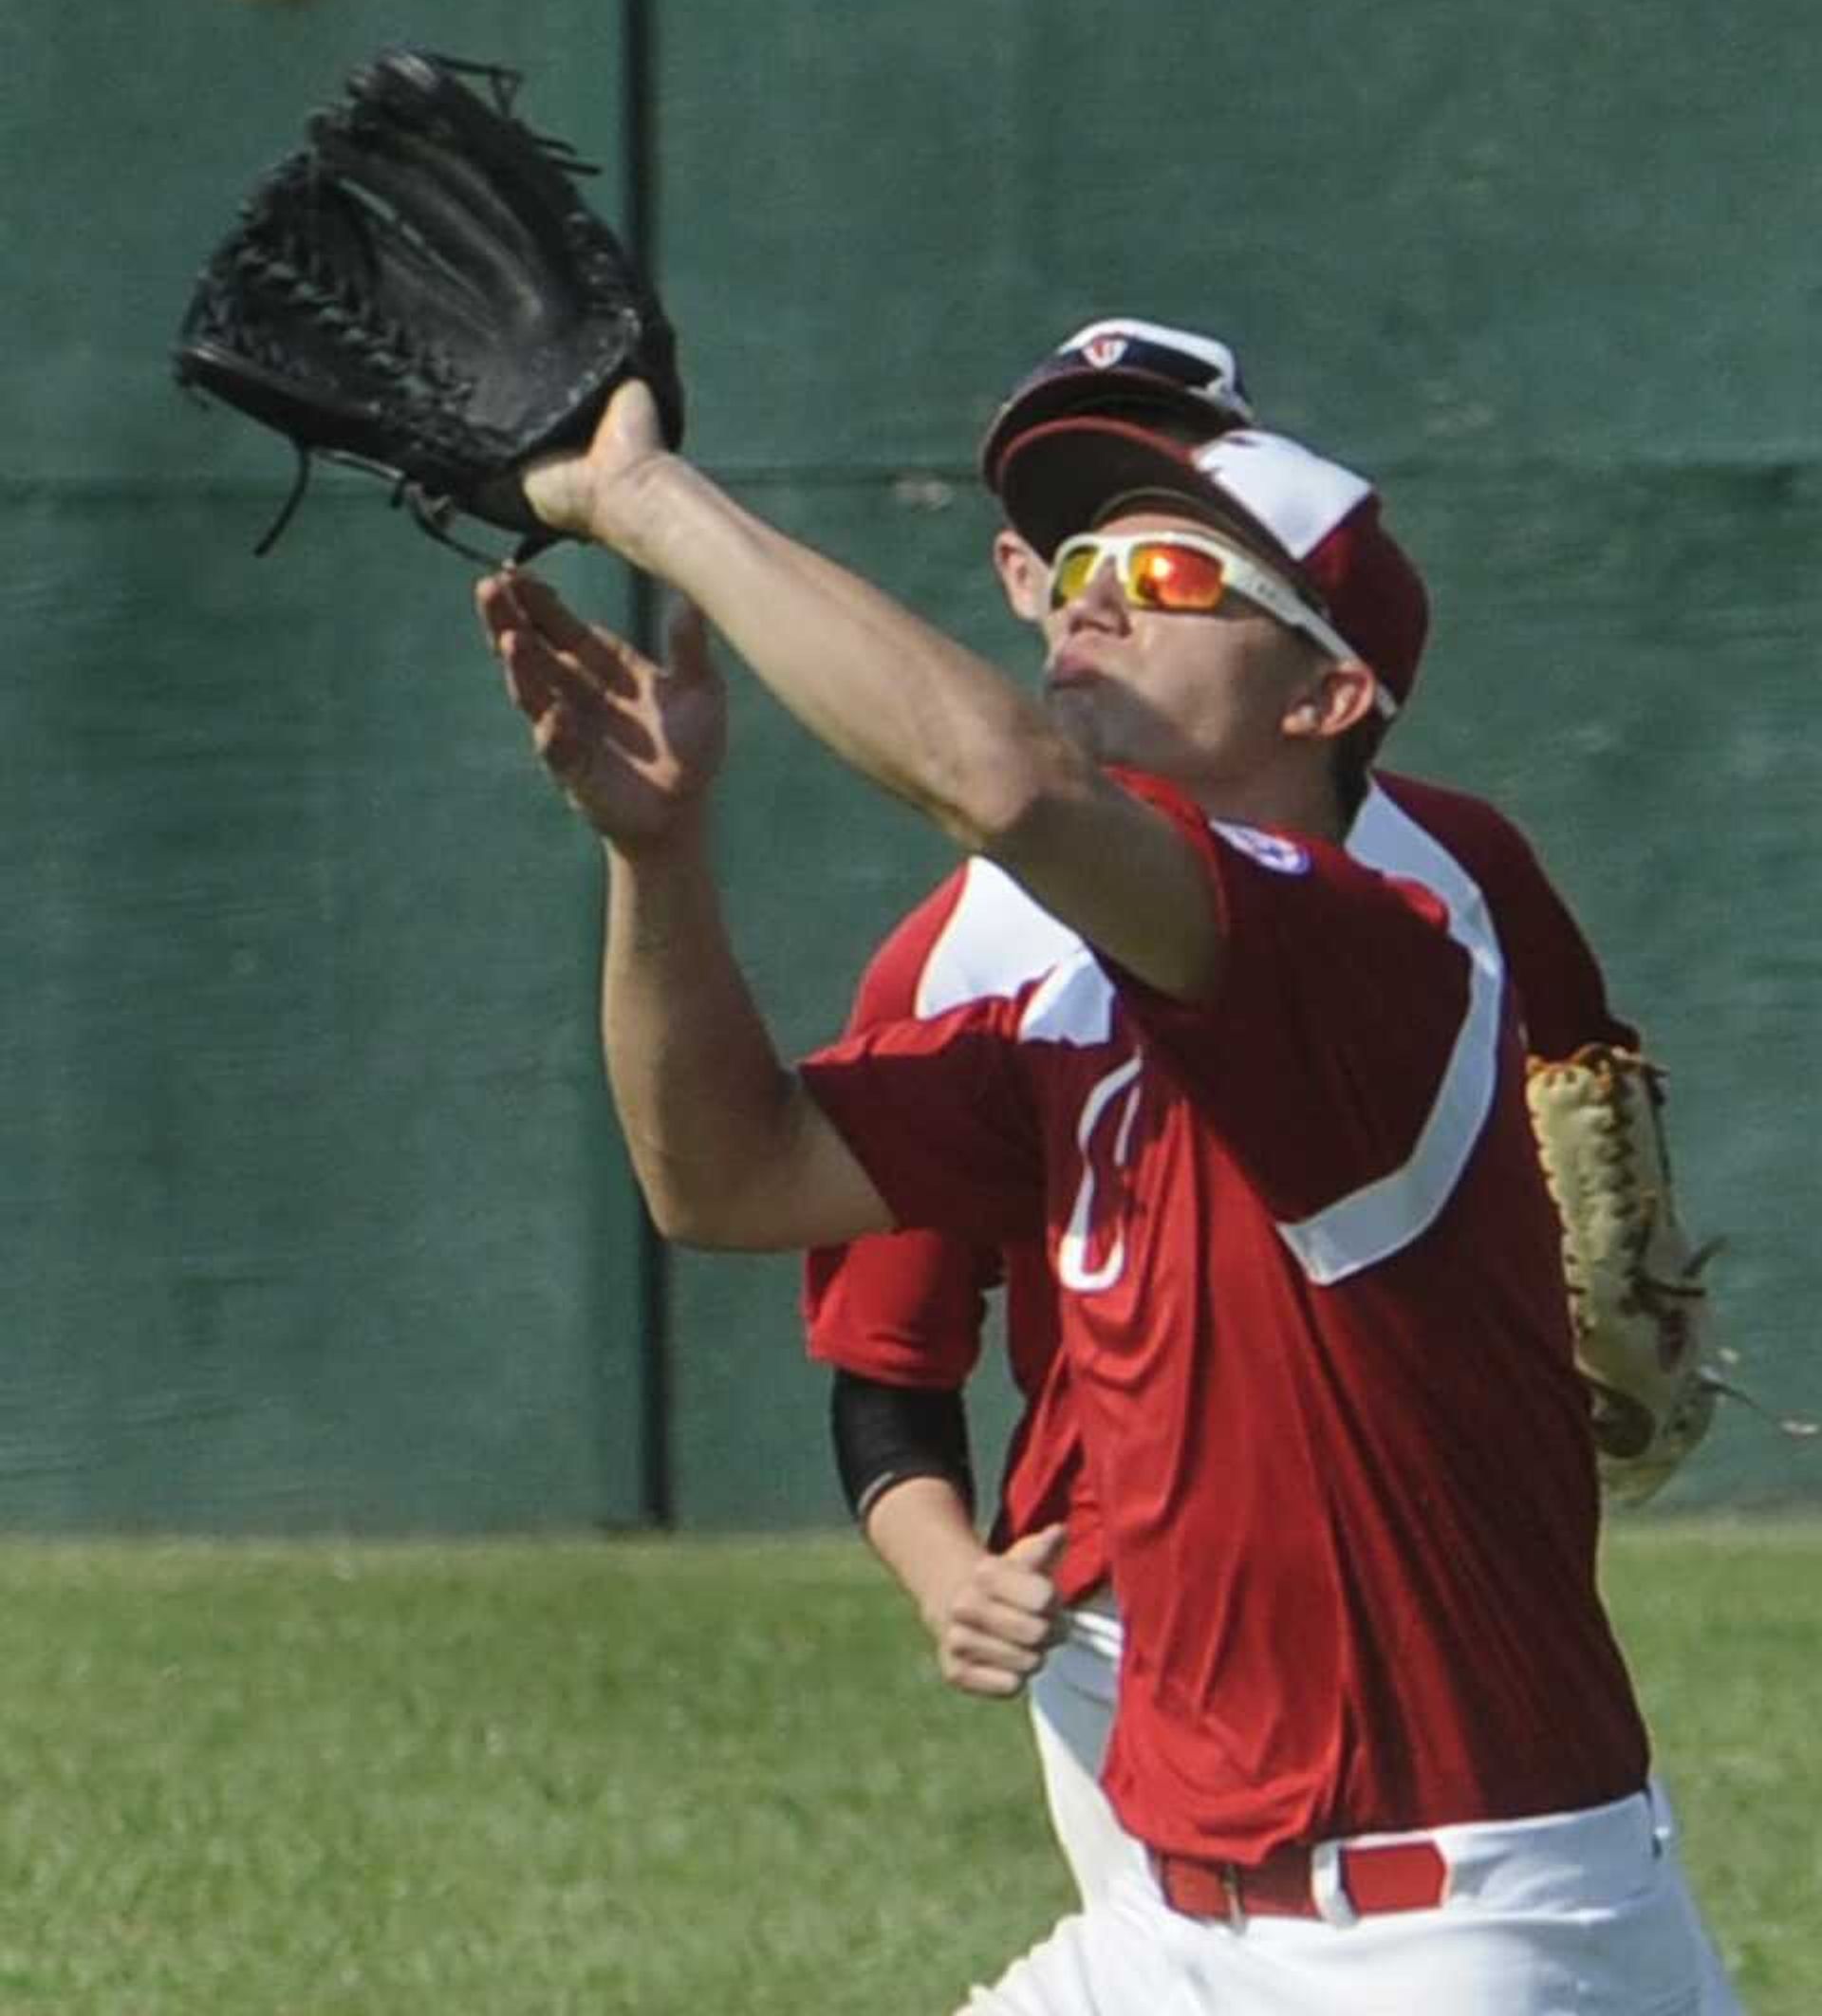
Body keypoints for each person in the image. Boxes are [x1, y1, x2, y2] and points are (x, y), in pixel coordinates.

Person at [476, 375, 1726, 2012]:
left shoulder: (1372, 963)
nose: (1095, 607)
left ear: (1329, 697)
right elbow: (721, 1174)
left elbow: (1006, 791)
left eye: (1174, 580)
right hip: (1173, 1928)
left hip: (1458, 1941)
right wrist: (659, 853)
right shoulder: (1071, 1024)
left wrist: (651, 507)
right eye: (1079, 578)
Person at [803, 320, 1649, 1915]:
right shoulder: (965, 945)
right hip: (1123, 1595)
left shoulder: (1459, 873)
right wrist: (948, 1575)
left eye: (1181, 530)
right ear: (1015, 583)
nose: (1113, 579)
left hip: (1419, 1567)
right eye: (1075, 551)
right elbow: (883, 1359)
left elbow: (1583, 1184)